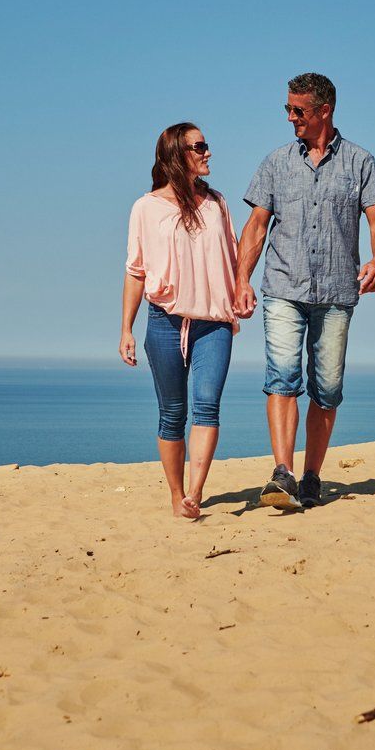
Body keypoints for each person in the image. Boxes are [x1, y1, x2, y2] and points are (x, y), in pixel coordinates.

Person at [233, 73, 375, 510]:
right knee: (282, 378)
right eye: (287, 109)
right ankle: (282, 473)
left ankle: (311, 477)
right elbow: (256, 226)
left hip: (338, 293)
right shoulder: (275, 163)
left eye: (297, 110)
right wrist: (241, 280)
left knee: (326, 389)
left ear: (324, 110)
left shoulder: (361, 163)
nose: (290, 118)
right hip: (283, 287)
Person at [120, 123, 243, 521]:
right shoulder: (145, 208)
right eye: (200, 146)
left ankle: (195, 493)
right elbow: (135, 271)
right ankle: (176, 495)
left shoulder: (218, 203)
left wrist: (243, 287)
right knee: (172, 413)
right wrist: (126, 329)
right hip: (163, 323)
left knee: (207, 407)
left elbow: (234, 255)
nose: (208, 153)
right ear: (177, 154)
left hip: (214, 324)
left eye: (207, 145)